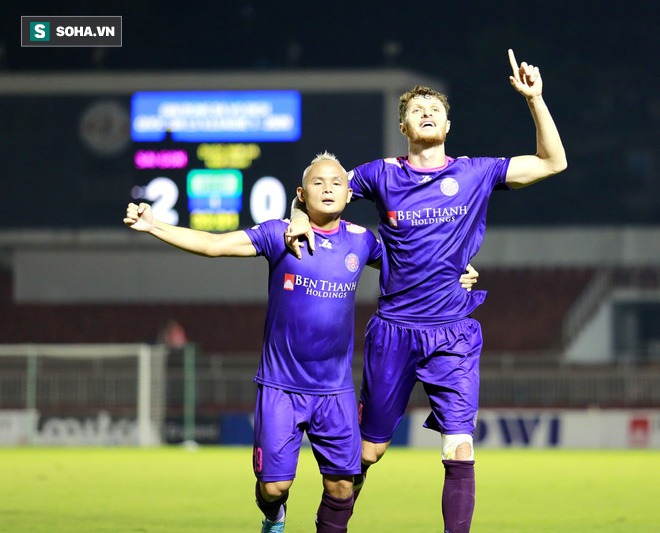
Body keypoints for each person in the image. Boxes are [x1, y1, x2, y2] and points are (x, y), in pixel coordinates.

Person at [285, 49, 567, 532]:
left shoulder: (474, 173)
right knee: (368, 452)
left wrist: (535, 100)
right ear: (405, 127)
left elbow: (552, 162)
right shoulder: (380, 175)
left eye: (436, 109)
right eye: (417, 110)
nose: (428, 113)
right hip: (393, 331)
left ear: (448, 126)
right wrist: (294, 221)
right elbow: (318, 191)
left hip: (453, 331)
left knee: (459, 446)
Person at [124, 153, 478, 531]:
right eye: (318, 183)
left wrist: (457, 271)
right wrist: (153, 225)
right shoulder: (280, 234)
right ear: (301, 194)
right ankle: (274, 515)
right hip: (281, 388)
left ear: (348, 194)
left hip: (335, 392)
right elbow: (214, 244)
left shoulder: (362, 243)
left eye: (337, 183)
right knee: (274, 487)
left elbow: (413, 263)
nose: (328, 189)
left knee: (343, 485)